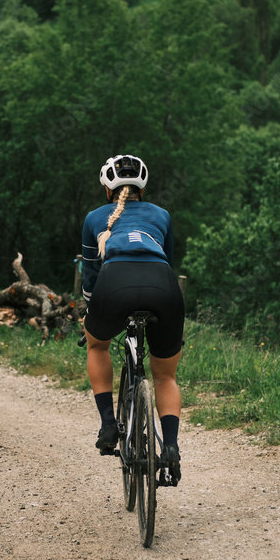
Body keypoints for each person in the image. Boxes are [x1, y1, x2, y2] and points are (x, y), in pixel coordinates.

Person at [81, 154, 185, 487]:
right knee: (165, 375)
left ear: (107, 188)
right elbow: (167, 258)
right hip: (163, 285)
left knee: (96, 344)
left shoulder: (95, 218)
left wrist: (89, 314)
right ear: (143, 186)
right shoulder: (162, 215)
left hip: (114, 284)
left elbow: (90, 277)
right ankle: (169, 448)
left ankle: (109, 424)